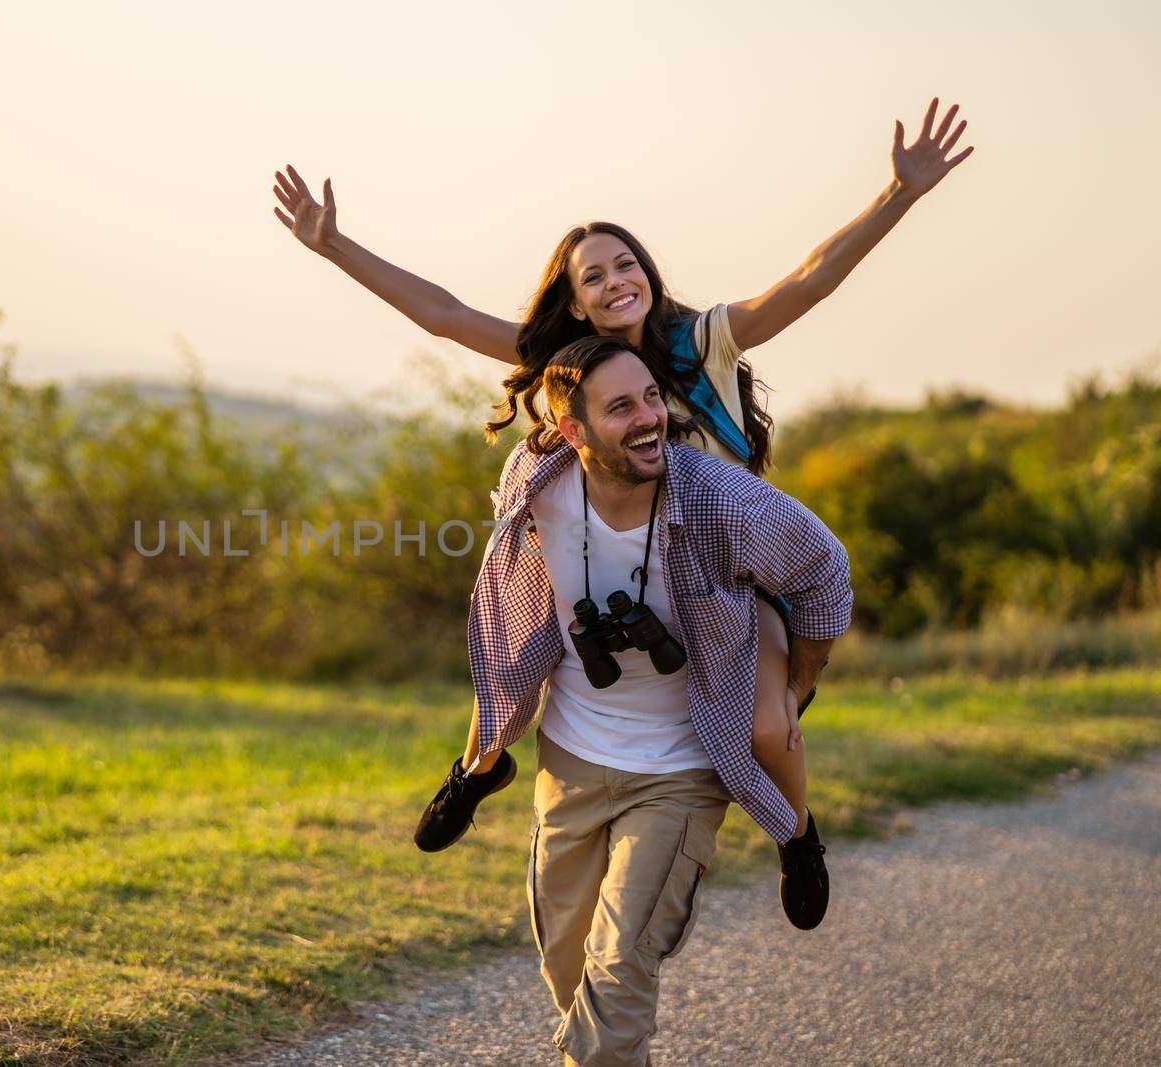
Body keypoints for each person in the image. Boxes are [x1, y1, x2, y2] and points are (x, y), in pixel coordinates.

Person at [271, 98, 971, 927]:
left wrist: (899, 195)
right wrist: (334, 245)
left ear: (647, 271)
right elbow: (446, 313)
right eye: (592, 275)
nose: (614, 281)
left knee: (768, 729)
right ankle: (477, 768)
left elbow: (808, 280)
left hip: (722, 571)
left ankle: (798, 835)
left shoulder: (703, 340)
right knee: (509, 655)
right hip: (596, 557)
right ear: (574, 303)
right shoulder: (563, 363)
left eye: (624, 263)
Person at [466, 334, 851, 1065]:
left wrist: (798, 685)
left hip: (679, 771)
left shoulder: (720, 499)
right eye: (621, 407)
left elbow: (826, 570)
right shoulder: (533, 478)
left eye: (652, 397)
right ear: (572, 430)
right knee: (573, 977)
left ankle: (800, 840)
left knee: (617, 982)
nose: (649, 418)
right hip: (570, 764)